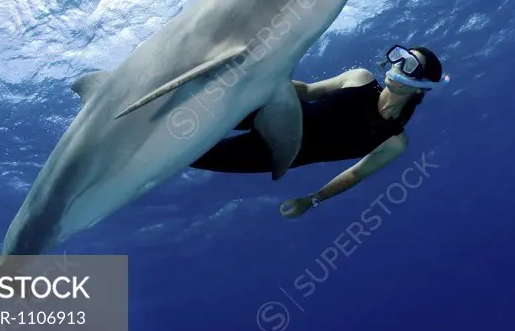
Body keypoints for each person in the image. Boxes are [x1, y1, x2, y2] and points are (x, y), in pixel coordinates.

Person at [190, 45, 449, 218]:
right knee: (200, 110)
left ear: (420, 86)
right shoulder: (360, 78)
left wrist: (312, 200)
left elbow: (355, 174)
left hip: (274, 155)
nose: (396, 66)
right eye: (399, 58)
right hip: (276, 110)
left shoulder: (395, 141)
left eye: (410, 65)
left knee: (194, 156)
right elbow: (308, 91)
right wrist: (261, 78)